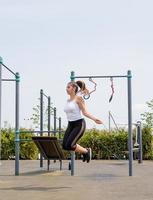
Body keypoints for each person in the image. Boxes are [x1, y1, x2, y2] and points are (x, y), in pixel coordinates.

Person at [63, 81, 103, 163]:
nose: (66, 89)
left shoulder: (79, 99)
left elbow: (85, 112)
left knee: (70, 145)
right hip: (70, 124)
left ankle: (86, 151)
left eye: (68, 87)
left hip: (79, 124)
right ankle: (86, 151)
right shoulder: (68, 100)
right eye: (66, 87)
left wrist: (94, 119)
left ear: (74, 88)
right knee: (65, 146)